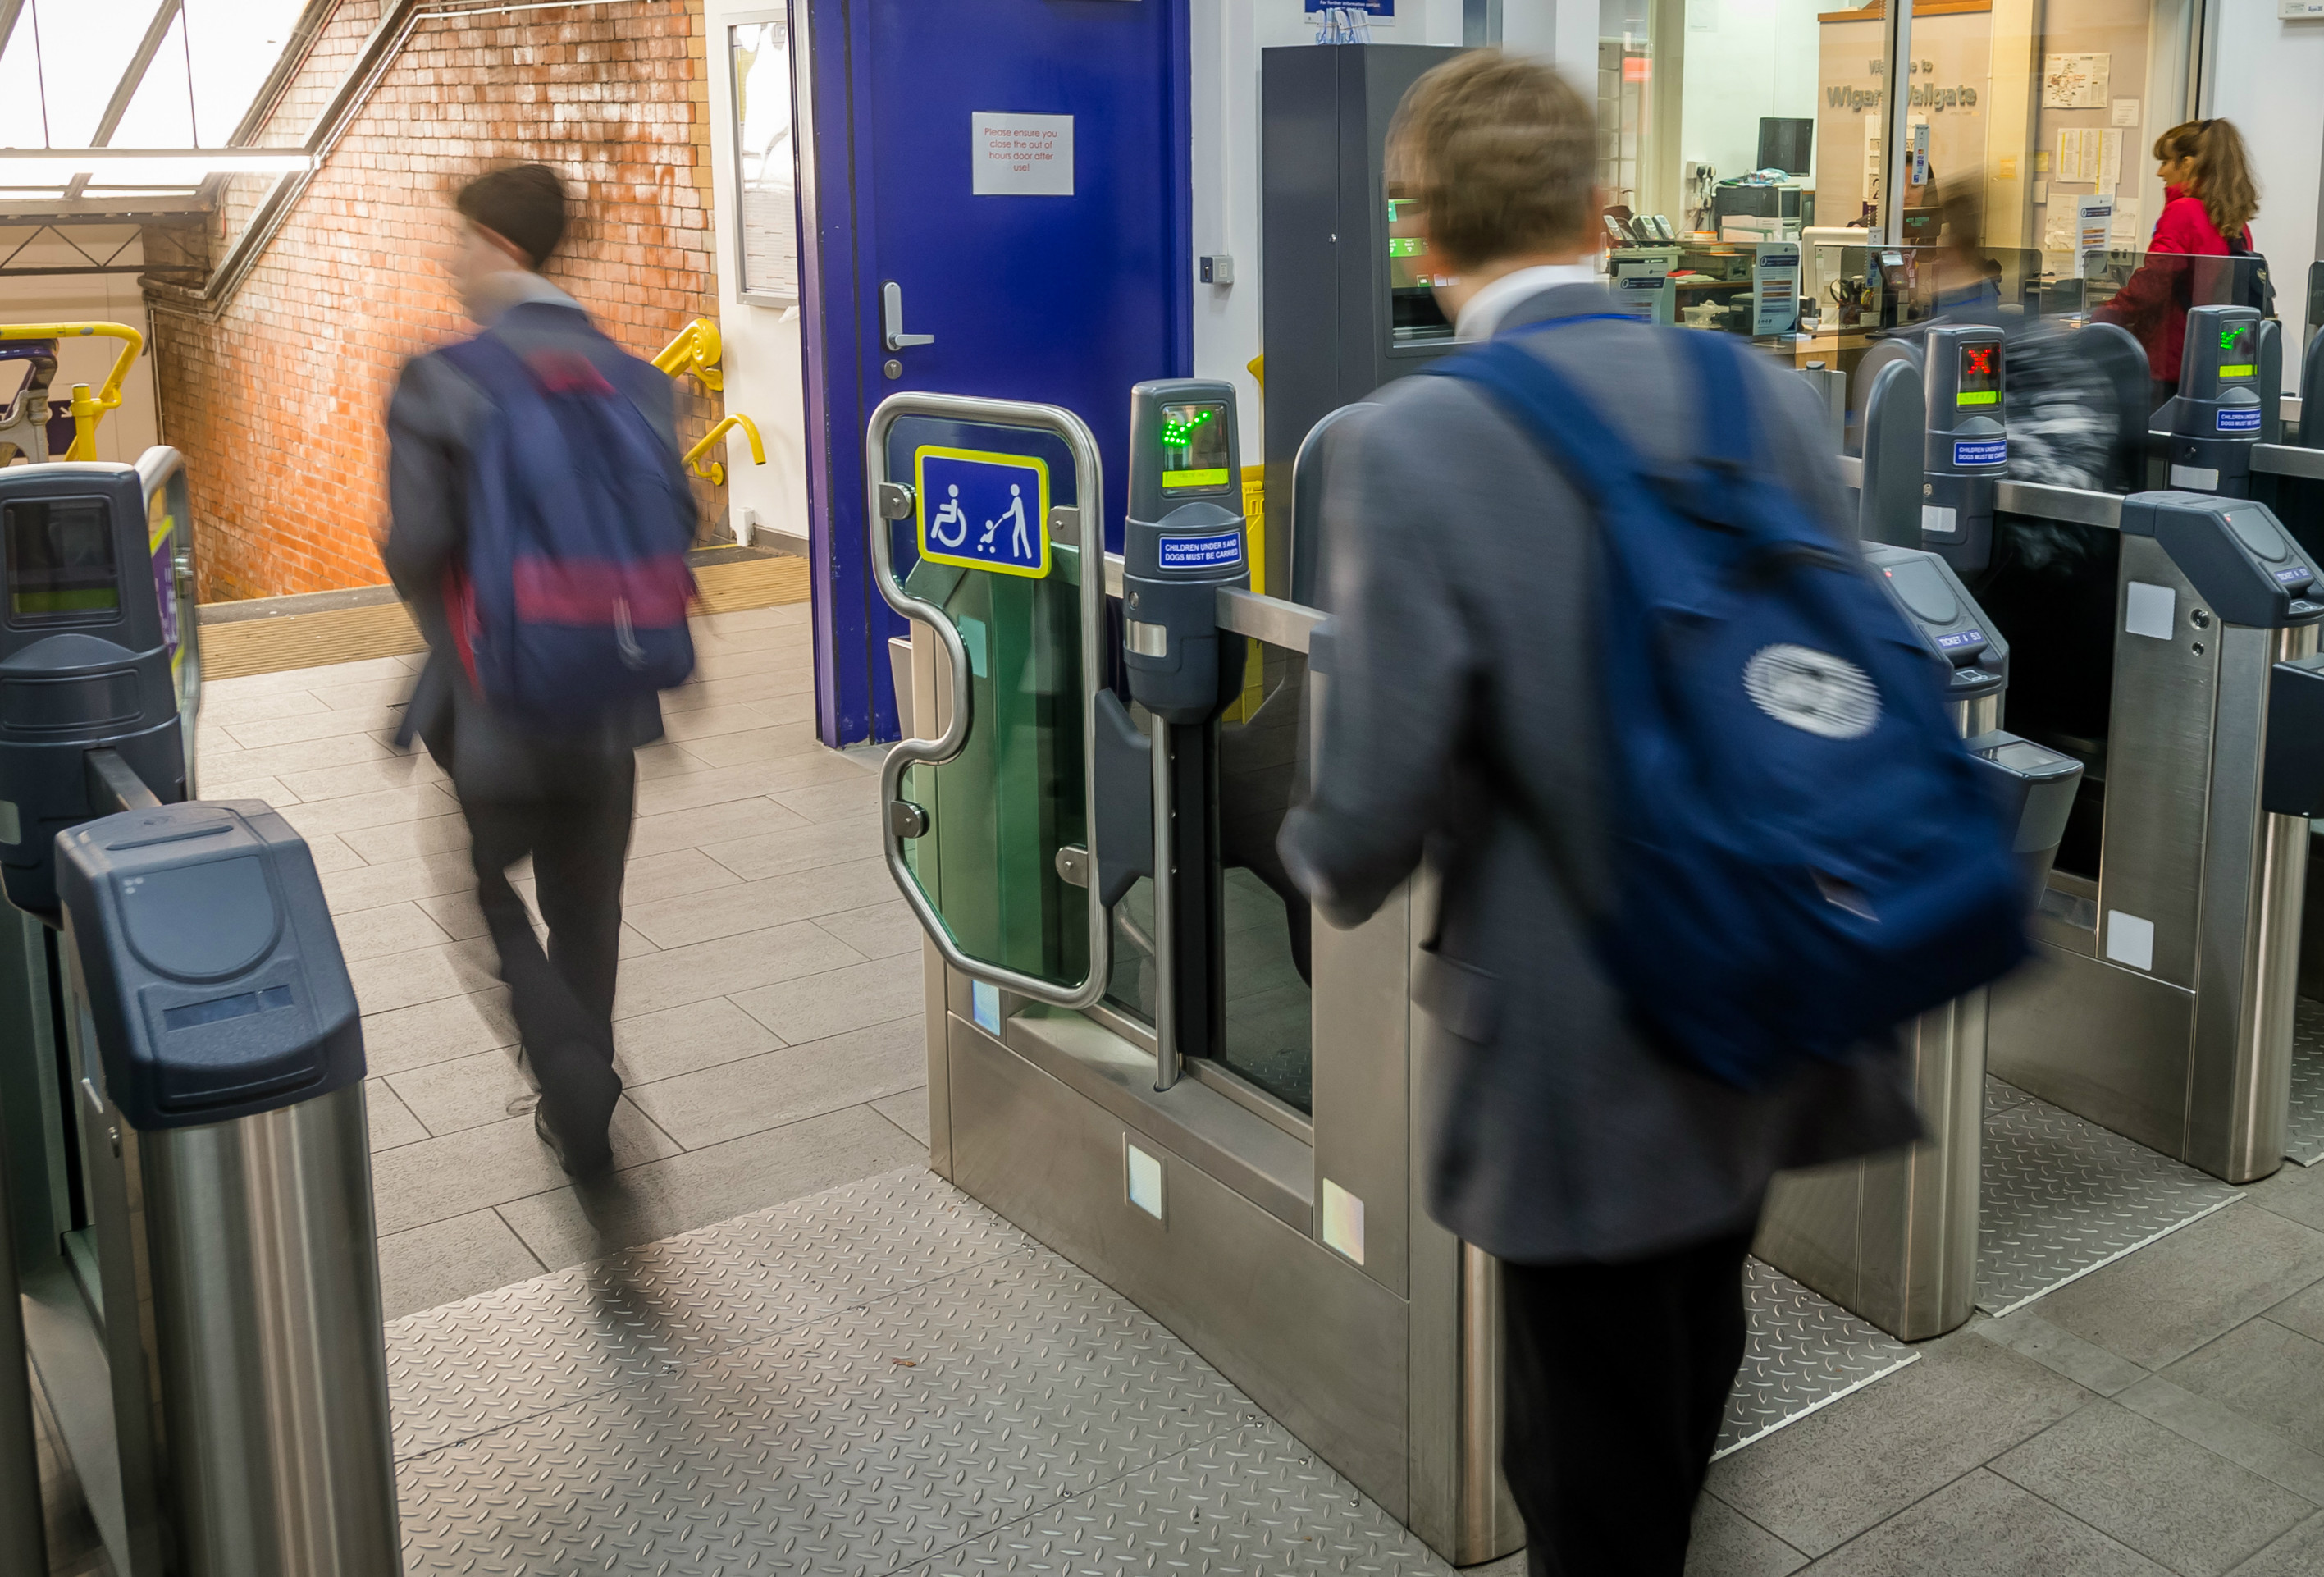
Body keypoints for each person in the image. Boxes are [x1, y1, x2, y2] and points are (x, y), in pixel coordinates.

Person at [1275, 53, 1920, 1576]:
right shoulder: (1753, 390)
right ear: (1597, 210)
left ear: (1419, 229)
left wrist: (1311, 863)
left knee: (1582, 1460)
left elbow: (1375, 793)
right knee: (1687, 1340)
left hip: (1577, 1044)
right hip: (1767, 988)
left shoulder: (1411, 443)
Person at [385, 163, 682, 1177]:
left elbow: (416, 545)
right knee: (588, 903)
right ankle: (585, 1081)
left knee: (481, 881)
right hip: (610, 705)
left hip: (495, 706)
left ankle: (564, 1058)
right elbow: (672, 525)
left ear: (502, 249)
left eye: (460, 241)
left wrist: (453, 629)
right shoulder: (635, 378)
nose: (450, 260)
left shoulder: (442, 377)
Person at [2094, 118, 2262, 405]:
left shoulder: (2183, 212)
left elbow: (2153, 282)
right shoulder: (2236, 223)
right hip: (2211, 359)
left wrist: (2104, 316)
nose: (2161, 172)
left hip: (2169, 360)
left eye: (2166, 161)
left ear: (2187, 164)